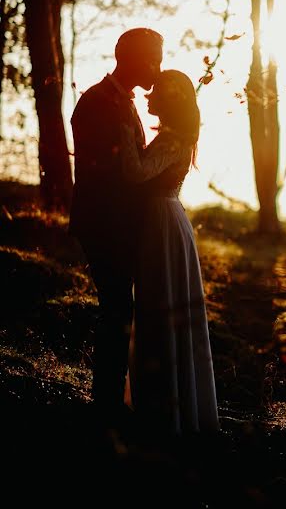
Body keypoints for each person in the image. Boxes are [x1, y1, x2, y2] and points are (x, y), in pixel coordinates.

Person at [70, 28, 163, 428]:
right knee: (116, 309)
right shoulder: (96, 102)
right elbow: (102, 173)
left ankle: (110, 398)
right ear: (132, 59)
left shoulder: (123, 102)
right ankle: (105, 404)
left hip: (119, 224)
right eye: (153, 59)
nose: (157, 68)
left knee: (119, 308)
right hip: (104, 224)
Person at [119, 69, 219, 435]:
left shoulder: (172, 140)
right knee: (159, 306)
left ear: (170, 100)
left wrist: (124, 133)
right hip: (164, 220)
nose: (149, 98)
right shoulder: (174, 137)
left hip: (161, 224)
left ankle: (165, 412)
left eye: (156, 92)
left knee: (160, 306)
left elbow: (136, 172)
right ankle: (167, 403)